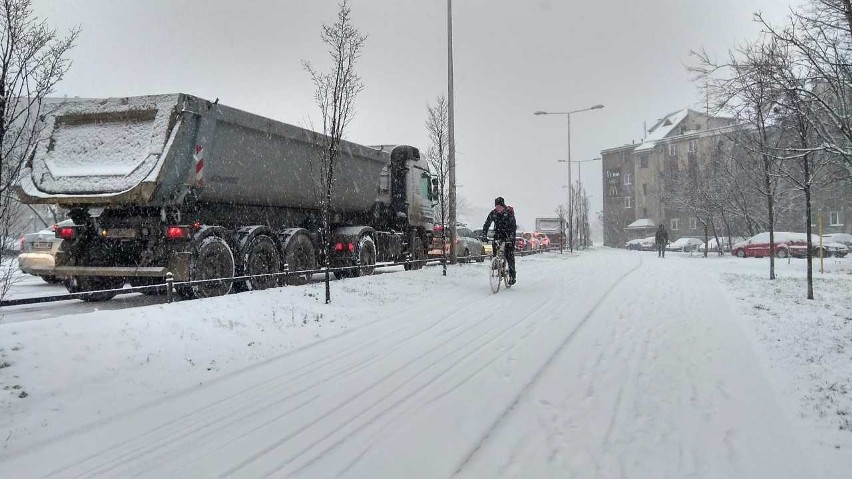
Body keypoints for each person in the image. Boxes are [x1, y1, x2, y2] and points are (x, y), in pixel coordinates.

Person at [481, 196, 517, 284]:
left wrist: (511, 237)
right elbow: (487, 224)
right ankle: (496, 263)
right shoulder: (493, 213)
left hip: (508, 235)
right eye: (496, 207)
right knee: (494, 248)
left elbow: (513, 226)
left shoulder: (509, 213)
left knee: (509, 255)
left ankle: (512, 276)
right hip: (498, 235)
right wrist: (484, 234)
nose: (498, 209)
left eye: (499, 207)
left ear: (503, 206)